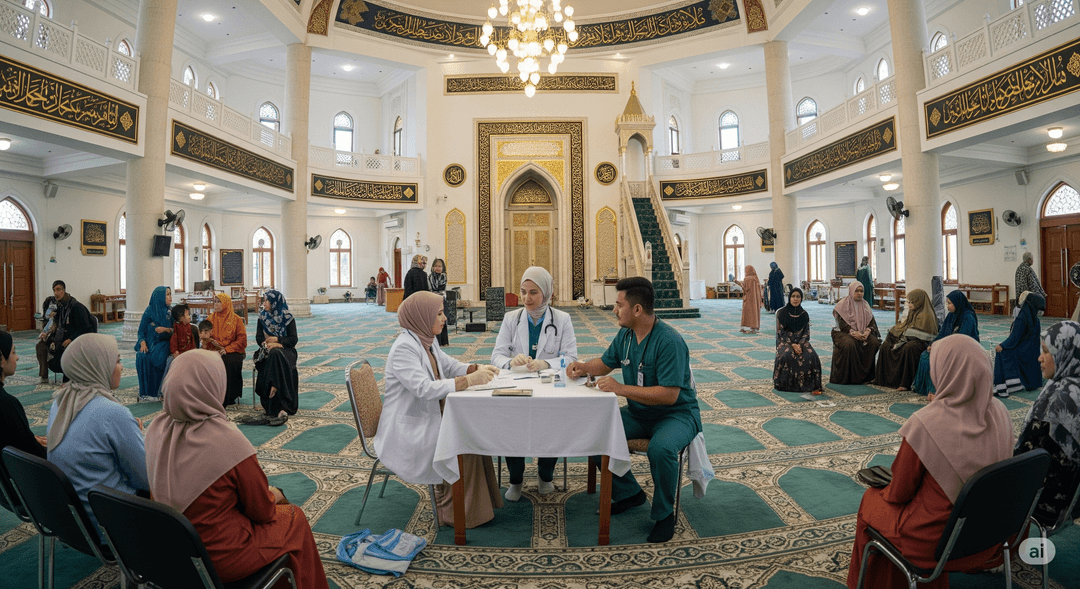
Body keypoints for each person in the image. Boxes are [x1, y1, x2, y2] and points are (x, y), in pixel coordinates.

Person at [145, 351, 329, 589]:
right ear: (212, 384)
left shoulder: (155, 429)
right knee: (294, 519)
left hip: (171, 552)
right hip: (220, 557)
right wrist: (275, 494)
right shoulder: (226, 440)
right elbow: (262, 511)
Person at [847, 335, 1014, 589]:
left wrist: (936, 412)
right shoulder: (1001, 412)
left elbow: (899, 492)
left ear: (946, 371)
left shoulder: (927, 423)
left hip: (933, 541)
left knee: (871, 500)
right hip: (990, 536)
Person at [566, 277, 701, 543]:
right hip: (640, 414)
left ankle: (664, 516)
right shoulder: (627, 335)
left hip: (677, 415)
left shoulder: (669, 341)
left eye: (619, 305)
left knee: (661, 449)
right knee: (591, 434)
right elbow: (605, 363)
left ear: (637, 309)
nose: (614, 310)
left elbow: (669, 395)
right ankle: (629, 493)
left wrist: (621, 389)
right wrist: (581, 366)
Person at [374, 291, 502, 528]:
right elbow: (423, 389)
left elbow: (449, 365)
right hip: (410, 428)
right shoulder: (404, 349)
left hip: (432, 414)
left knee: (474, 432)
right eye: (439, 314)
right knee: (465, 440)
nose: (445, 318)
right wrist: (469, 381)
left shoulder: (425, 341)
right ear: (422, 317)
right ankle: (453, 513)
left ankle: (477, 507)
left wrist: (475, 367)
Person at [491, 266, 579, 501]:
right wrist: (511, 361)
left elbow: (571, 358)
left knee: (551, 424)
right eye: (523, 292)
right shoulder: (511, 318)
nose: (527, 299)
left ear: (547, 293)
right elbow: (496, 356)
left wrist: (546, 364)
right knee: (512, 426)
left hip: (550, 386)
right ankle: (516, 479)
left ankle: (545, 475)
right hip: (517, 386)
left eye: (533, 293)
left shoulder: (562, 319)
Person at [46, 334, 149, 529]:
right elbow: (146, 479)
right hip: (113, 524)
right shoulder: (112, 413)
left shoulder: (60, 402)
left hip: (73, 522)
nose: (121, 367)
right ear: (98, 365)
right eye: (117, 361)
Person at [1015, 321, 1080, 524]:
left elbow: (1023, 460)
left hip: (1048, 501)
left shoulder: (1055, 401)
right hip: (1075, 499)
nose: (1039, 358)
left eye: (1046, 351)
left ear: (1065, 353)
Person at [912, 291, 979, 396]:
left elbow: (962, 339)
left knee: (938, 358)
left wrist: (943, 347)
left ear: (957, 303)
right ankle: (923, 389)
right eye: (947, 303)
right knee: (925, 355)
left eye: (950, 303)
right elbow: (942, 333)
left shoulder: (968, 317)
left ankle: (935, 391)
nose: (948, 306)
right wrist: (933, 344)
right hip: (948, 346)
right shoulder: (951, 316)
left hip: (964, 350)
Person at [873, 289, 938, 391]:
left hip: (921, 342)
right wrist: (897, 332)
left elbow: (926, 335)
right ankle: (882, 379)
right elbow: (906, 325)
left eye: (912, 302)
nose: (910, 305)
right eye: (909, 302)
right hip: (908, 339)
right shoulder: (913, 311)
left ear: (919, 302)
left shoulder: (927, 315)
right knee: (886, 345)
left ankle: (905, 383)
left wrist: (903, 337)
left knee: (908, 348)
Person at [0, 331, 47, 458]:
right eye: (13, 352)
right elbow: (33, 453)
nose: (17, 357)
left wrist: (28, 438)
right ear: (1, 360)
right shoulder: (8, 404)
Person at [255, 290, 299, 425]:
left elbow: (293, 340)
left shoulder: (287, 317)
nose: (264, 303)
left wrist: (278, 341)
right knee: (270, 356)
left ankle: (274, 396)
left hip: (286, 351)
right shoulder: (262, 317)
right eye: (264, 300)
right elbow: (259, 338)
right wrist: (265, 343)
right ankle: (275, 394)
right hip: (268, 350)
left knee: (275, 355)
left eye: (267, 301)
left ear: (275, 303)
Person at [993, 291, 1044, 398]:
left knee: (1001, 352)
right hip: (1033, 352)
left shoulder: (1022, 318)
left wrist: (1002, 345)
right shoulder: (1036, 320)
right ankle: (1016, 383)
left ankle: (1003, 387)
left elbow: (1014, 338)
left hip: (1022, 352)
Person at [773, 288, 823, 394]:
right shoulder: (782, 313)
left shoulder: (804, 314)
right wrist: (792, 344)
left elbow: (806, 333)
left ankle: (809, 385)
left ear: (801, 299)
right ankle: (787, 385)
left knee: (812, 356)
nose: (795, 299)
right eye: (793, 296)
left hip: (801, 342)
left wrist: (799, 344)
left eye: (798, 297)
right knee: (786, 355)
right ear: (789, 298)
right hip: (786, 342)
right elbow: (781, 333)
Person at [830, 283, 881, 385]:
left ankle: (866, 376)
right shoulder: (842, 304)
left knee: (874, 342)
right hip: (842, 332)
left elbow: (871, 323)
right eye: (856, 291)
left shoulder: (865, 305)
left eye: (861, 291)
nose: (859, 293)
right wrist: (854, 333)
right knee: (850, 344)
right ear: (851, 291)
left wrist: (867, 332)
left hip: (862, 332)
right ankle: (851, 378)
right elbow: (842, 324)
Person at [206, 293, 248, 406]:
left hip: (233, 351)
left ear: (226, 303)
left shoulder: (236, 320)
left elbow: (242, 340)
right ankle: (212, 395)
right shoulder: (210, 318)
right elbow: (205, 336)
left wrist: (227, 349)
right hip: (214, 350)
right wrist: (210, 343)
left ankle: (229, 396)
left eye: (219, 301)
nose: (216, 304)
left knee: (228, 361)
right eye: (215, 301)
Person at [48, 280, 95, 380]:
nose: (56, 293)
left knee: (65, 351)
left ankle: (68, 378)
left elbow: (85, 328)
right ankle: (44, 376)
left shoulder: (76, 307)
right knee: (42, 345)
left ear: (64, 290)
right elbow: (60, 324)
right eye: (54, 290)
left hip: (78, 339)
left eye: (58, 290)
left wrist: (71, 339)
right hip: (64, 337)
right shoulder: (61, 306)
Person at [135, 286, 174, 402]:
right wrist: (142, 343)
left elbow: (177, 330)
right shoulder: (150, 310)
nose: (170, 297)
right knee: (142, 356)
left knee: (157, 356)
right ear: (160, 297)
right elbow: (141, 331)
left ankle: (156, 391)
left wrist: (166, 330)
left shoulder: (171, 312)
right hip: (149, 343)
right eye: (167, 294)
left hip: (164, 342)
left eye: (170, 294)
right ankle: (145, 393)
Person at [36, 295, 57, 384]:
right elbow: (48, 326)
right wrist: (45, 334)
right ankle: (44, 376)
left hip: (62, 338)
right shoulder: (50, 320)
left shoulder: (64, 313)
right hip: (50, 337)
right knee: (40, 346)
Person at [428, 258, 450, 346]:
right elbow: (432, 287)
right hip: (433, 300)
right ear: (433, 267)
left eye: (440, 266)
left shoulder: (444, 276)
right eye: (436, 266)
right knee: (435, 321)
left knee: (442, 321)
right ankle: (437, 342)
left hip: (441, 300)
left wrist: (435, 291)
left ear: (443, 267)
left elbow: (439, 287)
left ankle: (444, 342)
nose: (438, 268)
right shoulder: (429, 276)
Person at [735, 265, 762, 334]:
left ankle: (747, 328)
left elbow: (746, 289)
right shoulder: (756, 279)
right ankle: (754, 328)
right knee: (754, 313)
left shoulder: (747, 279)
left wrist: (738, 283)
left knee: (748, 313)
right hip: (755, 300)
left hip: (749, 299)